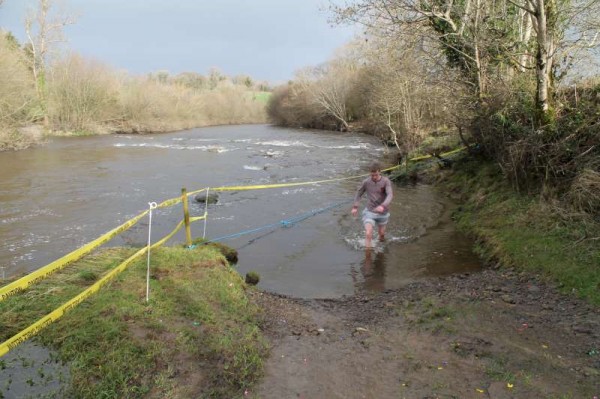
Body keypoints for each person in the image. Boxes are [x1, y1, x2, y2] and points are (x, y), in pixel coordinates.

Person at [351, 161, 393, 248]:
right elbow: (359, 193)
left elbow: (390, 195)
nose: (374, 177)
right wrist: (355, 206)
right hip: (370, 211)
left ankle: (381, 250)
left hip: (383, 212)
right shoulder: (366, 182)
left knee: (381, 235)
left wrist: (382, 206)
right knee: (368, 233)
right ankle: (368, 258)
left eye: (376, 175)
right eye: (372, 175)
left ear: (379, 172)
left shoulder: (386, 181)